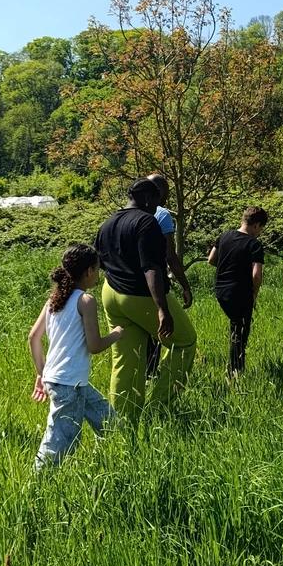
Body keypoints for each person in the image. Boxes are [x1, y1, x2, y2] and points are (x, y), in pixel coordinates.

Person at [95, 177, 197, 422]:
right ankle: (158, 408)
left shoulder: (107, 223)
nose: (157, 207)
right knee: (184, 342)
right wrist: (162, 308)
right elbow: (151, 268)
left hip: (110, 293)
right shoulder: (146, 221)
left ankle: (123, 420)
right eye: (157, 201)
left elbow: (99, 261)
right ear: (148, 198)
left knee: (126, 358)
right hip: (141, 295)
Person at [28, 244, 123, 470]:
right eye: (98, 269)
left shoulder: (54, 299)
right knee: (61, 439)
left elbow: (33, 337)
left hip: (68, 380)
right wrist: (116, 334)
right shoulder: (85, 301)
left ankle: (107, 465)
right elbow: (94, 345)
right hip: (68, 383)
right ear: (89, 271)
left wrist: (42, 373)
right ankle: (37, 485)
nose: (98, 274)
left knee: (109, 422)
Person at [208, 205, 269, 377]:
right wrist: (254, 295)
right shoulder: (254, 244)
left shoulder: (224, 235)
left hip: (221, 290)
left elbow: (211, 259)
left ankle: (234, 370)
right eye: (260, 229)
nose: (259, 233)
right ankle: (235, 373)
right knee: (240, 334)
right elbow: (256, 275)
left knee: (235, 326)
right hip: (240, 292)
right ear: (256, 225)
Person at [144, 173, 194, 377]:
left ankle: (146, 376)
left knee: (142, 334)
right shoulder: (162, 214)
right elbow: (170, 256)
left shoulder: (126, 212)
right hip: (155, 282)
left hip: (126, 285)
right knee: (170, 333)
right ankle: (158, 378)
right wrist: (185, 285)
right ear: (162, 194)